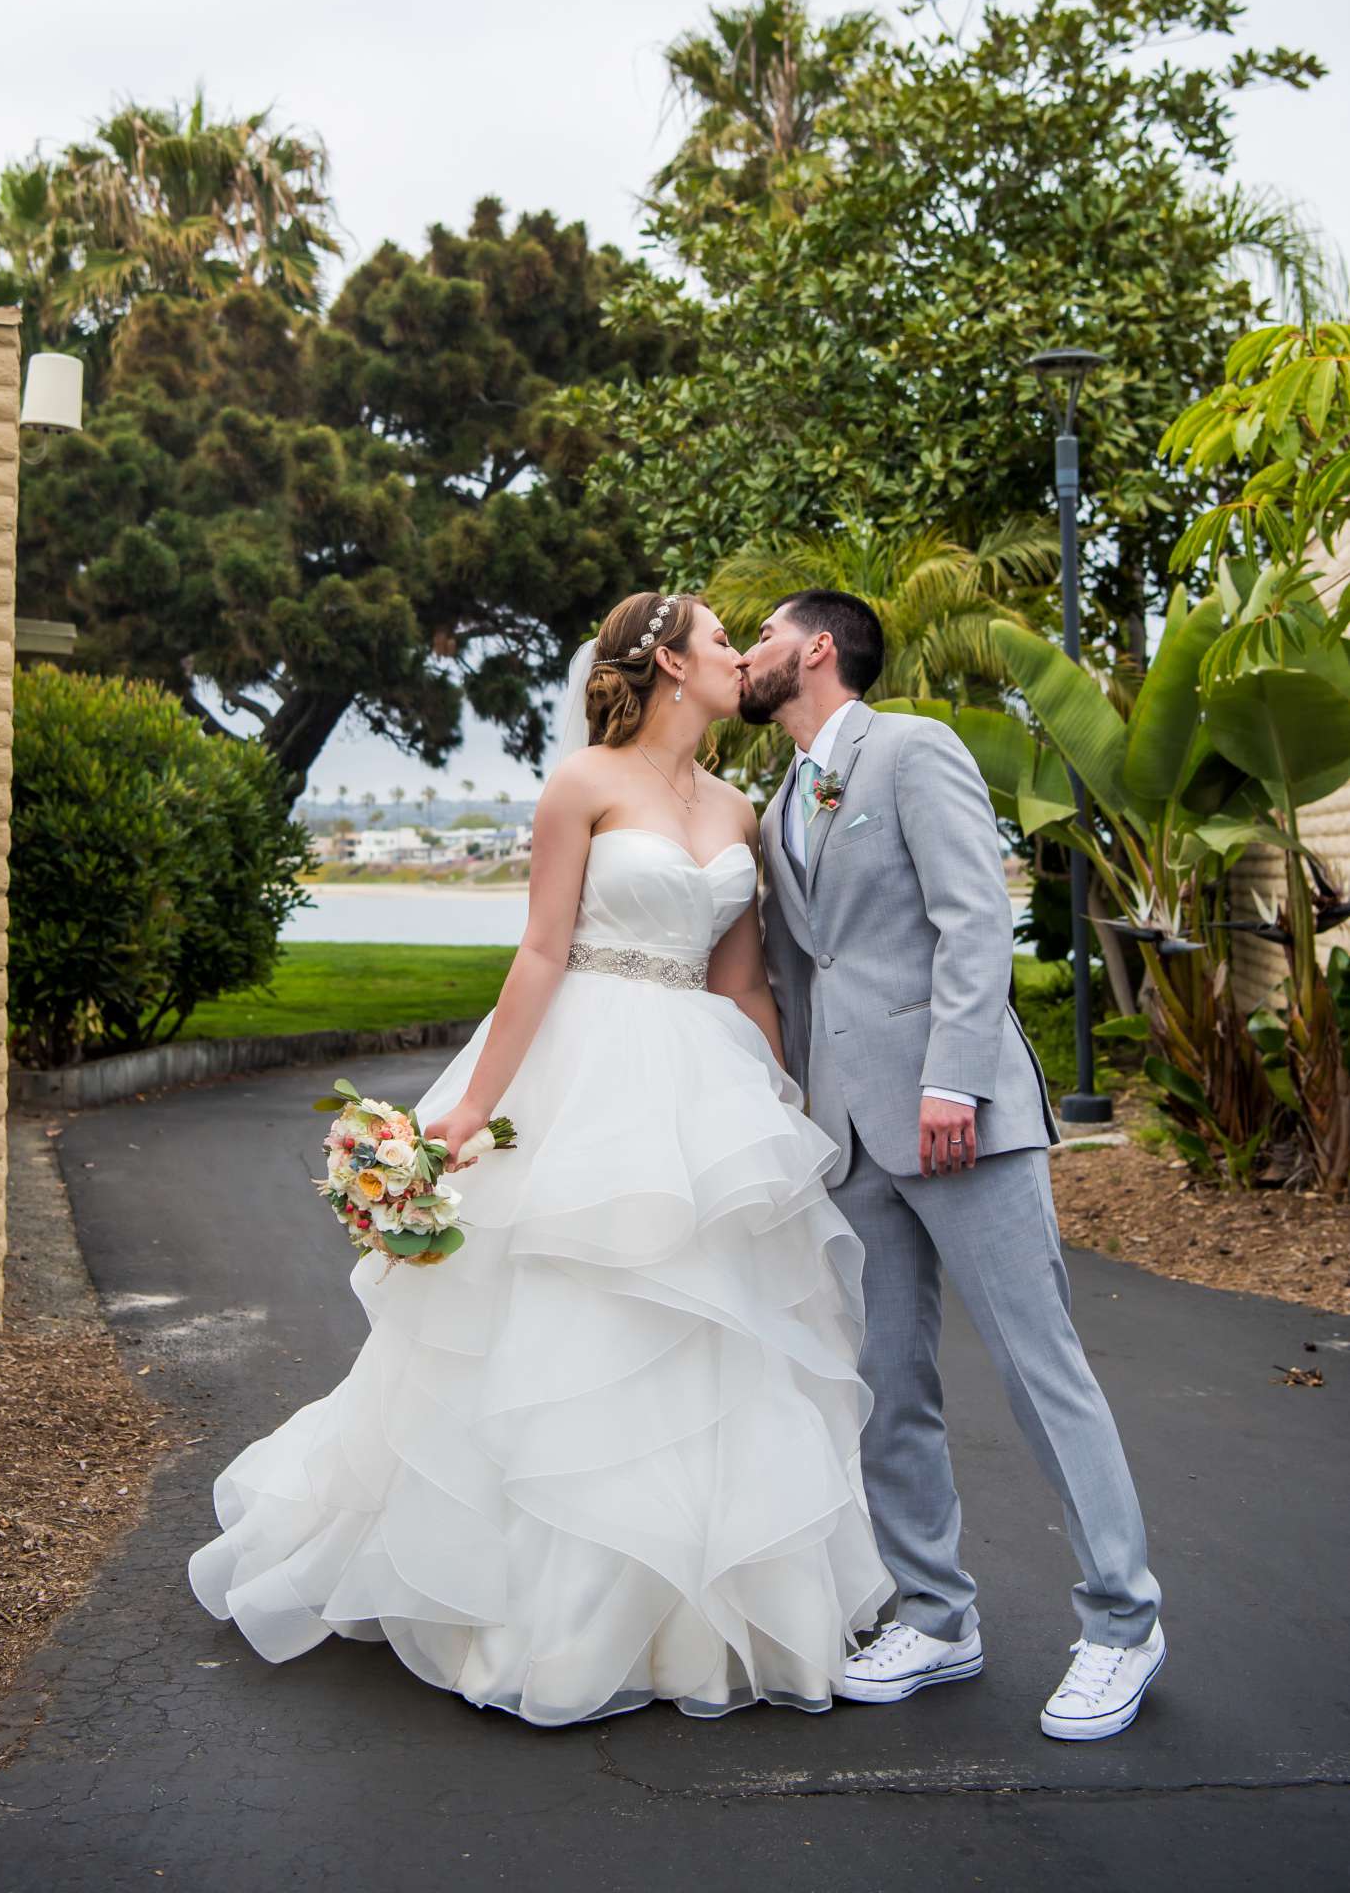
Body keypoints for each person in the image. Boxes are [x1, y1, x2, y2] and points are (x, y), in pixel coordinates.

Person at [189, 590, 893, 1727]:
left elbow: (744, 978)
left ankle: (696, 1614)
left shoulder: (740, 805)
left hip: (705, 1079)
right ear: (670, 662)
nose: (736, 659)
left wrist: (787, 1107)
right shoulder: (583, 785)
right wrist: (468, 1110)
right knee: (572, 1320)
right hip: (590, 1059)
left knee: (713, 1330)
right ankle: (546, 1610)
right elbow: (539, 952)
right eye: (720, 641)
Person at [742, 587, 1165, 1742]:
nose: (742, 654)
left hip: (957, 1116)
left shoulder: (911, 749)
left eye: (761, 637)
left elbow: (977, 919)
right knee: (886, 1381)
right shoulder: (781, 797)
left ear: (818, 650)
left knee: (1041, 1371)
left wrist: (951, 1083)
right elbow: (797, 975)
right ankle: (937, 1614)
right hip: (851, 1136)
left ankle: (1123, 1622)